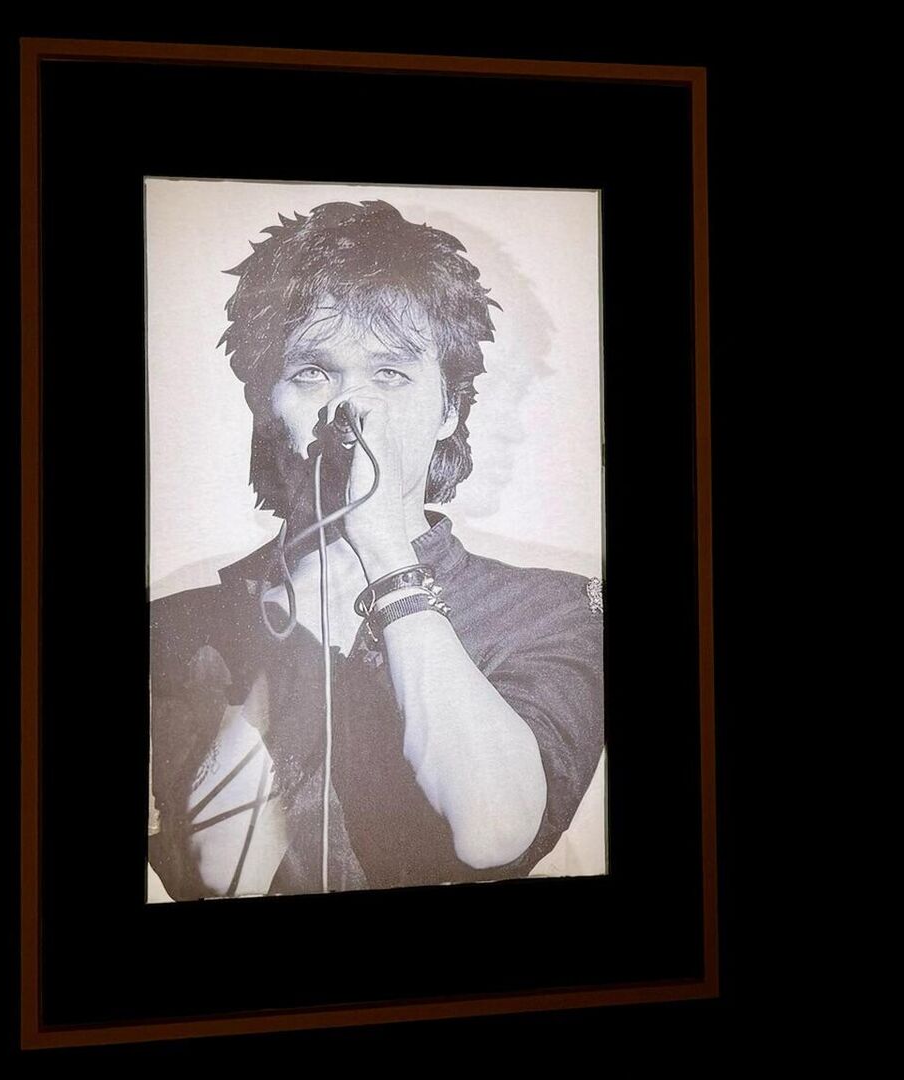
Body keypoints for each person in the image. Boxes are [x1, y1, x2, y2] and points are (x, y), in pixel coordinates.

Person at [146, 199, 605, 899]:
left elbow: (493, 831)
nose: (349, 411)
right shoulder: (174, 628)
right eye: (312, 372)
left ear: (449, 409)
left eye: (390, 374)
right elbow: (213, 873)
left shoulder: (557, 611)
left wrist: (386, 549)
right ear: (263, 406)